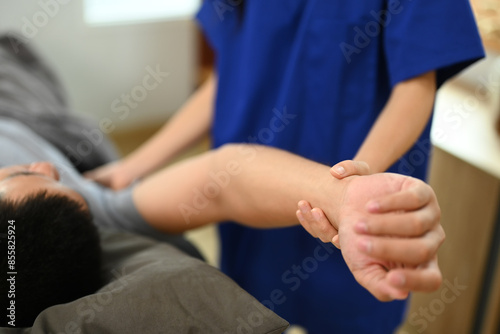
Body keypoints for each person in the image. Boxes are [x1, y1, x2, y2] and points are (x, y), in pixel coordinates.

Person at [85, 1, 485, 332]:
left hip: (348, 224)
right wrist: (133, 166)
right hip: (253, 213)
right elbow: (229, 79)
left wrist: (354, 183)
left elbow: (416, 84)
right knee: (251, 311)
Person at [0, 34, 445, 328]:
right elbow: (223, 179)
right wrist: (340, 195)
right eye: (22, 172)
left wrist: (134, 165)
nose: (47, 168)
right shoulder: (80, 208)